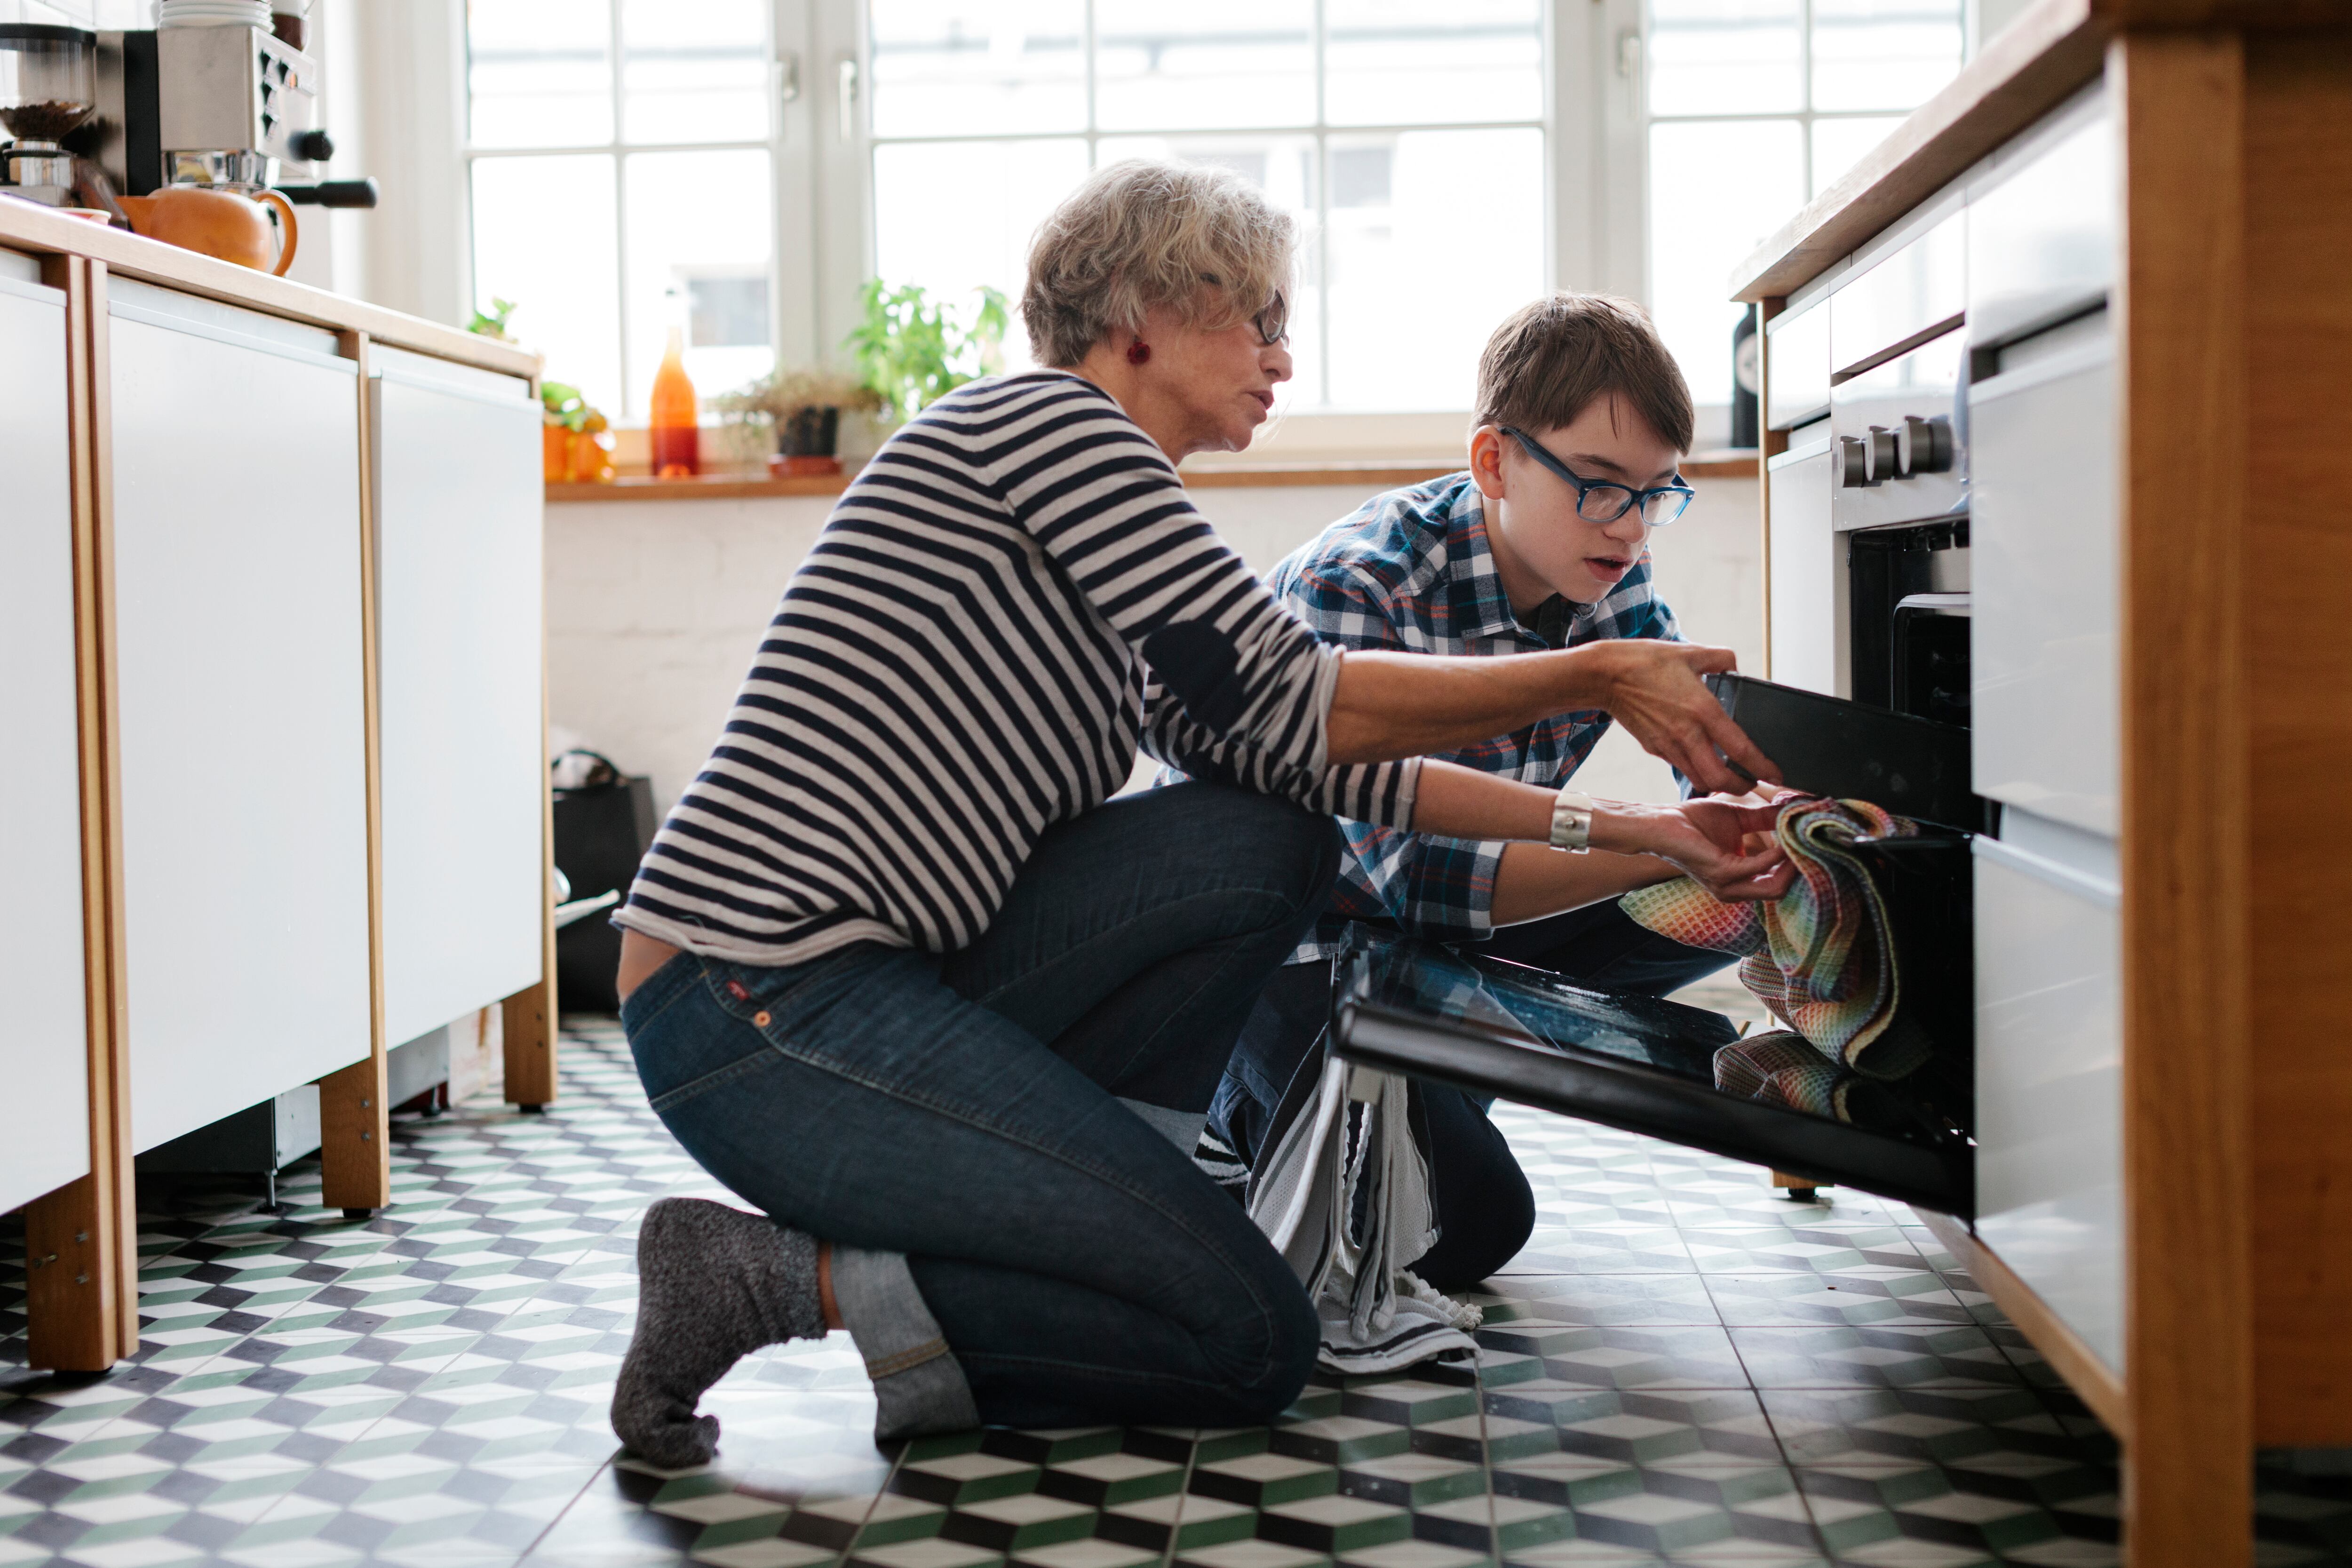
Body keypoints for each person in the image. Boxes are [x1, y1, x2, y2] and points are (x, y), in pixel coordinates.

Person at [603, 161, 1787, 1467]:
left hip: (888, 982)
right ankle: (761, 1277)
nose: (1283, 355)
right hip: (754, 994)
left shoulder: (1121, 517)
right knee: (1248, 1340)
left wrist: (1648, 837)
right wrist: (1594, 671)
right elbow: (1304, 698)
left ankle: (1130, 1190)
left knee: (1262, 833)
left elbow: (1326, 775)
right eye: (1258, 318)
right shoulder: (1056, 430)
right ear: (1142, 317)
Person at [1200, 294, 1794, 1293]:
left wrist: (1787, 819)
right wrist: (1667, 838)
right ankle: (1225, 1105)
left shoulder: (1613, 582)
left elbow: (1715, 766)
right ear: (1493, 463)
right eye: (1601, 488)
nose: (1632, 528)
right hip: (1284, 949)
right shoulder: (1358, 586)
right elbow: (1415, 877)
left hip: (1430, 946)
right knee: (1467, 1226)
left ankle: (1423, 1076)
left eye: (1656, 493)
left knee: (1739, 888)